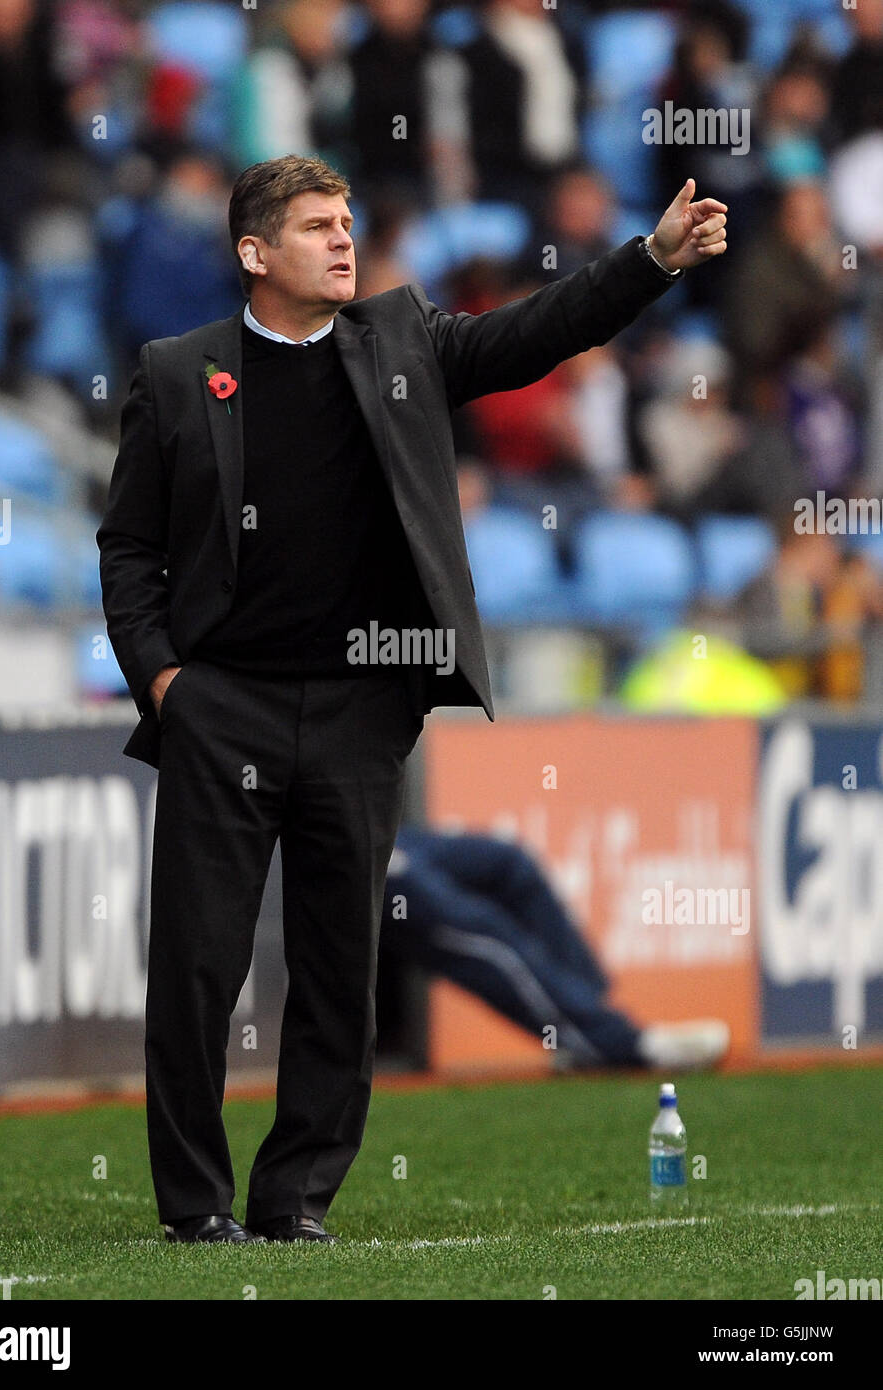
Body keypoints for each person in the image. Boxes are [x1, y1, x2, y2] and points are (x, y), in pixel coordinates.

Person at [96, 153, 727, 1246]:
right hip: (221, 708)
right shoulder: (173, 371)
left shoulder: (401, 341)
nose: (343, 240)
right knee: (198, 965)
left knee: (342, 966)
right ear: (254, 253)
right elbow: (128, 549)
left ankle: (293, 1200)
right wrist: (165, 682)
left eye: (347, 221)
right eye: (315, 226)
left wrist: (649, 260)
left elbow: (536, 332)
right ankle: (194, 1204)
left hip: (358, 708)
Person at [381, 826, 730, 1071]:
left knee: (510, 864)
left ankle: (587, 1018)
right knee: (485, 933)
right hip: (341, 846)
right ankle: (617, 1043)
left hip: (380, 827)